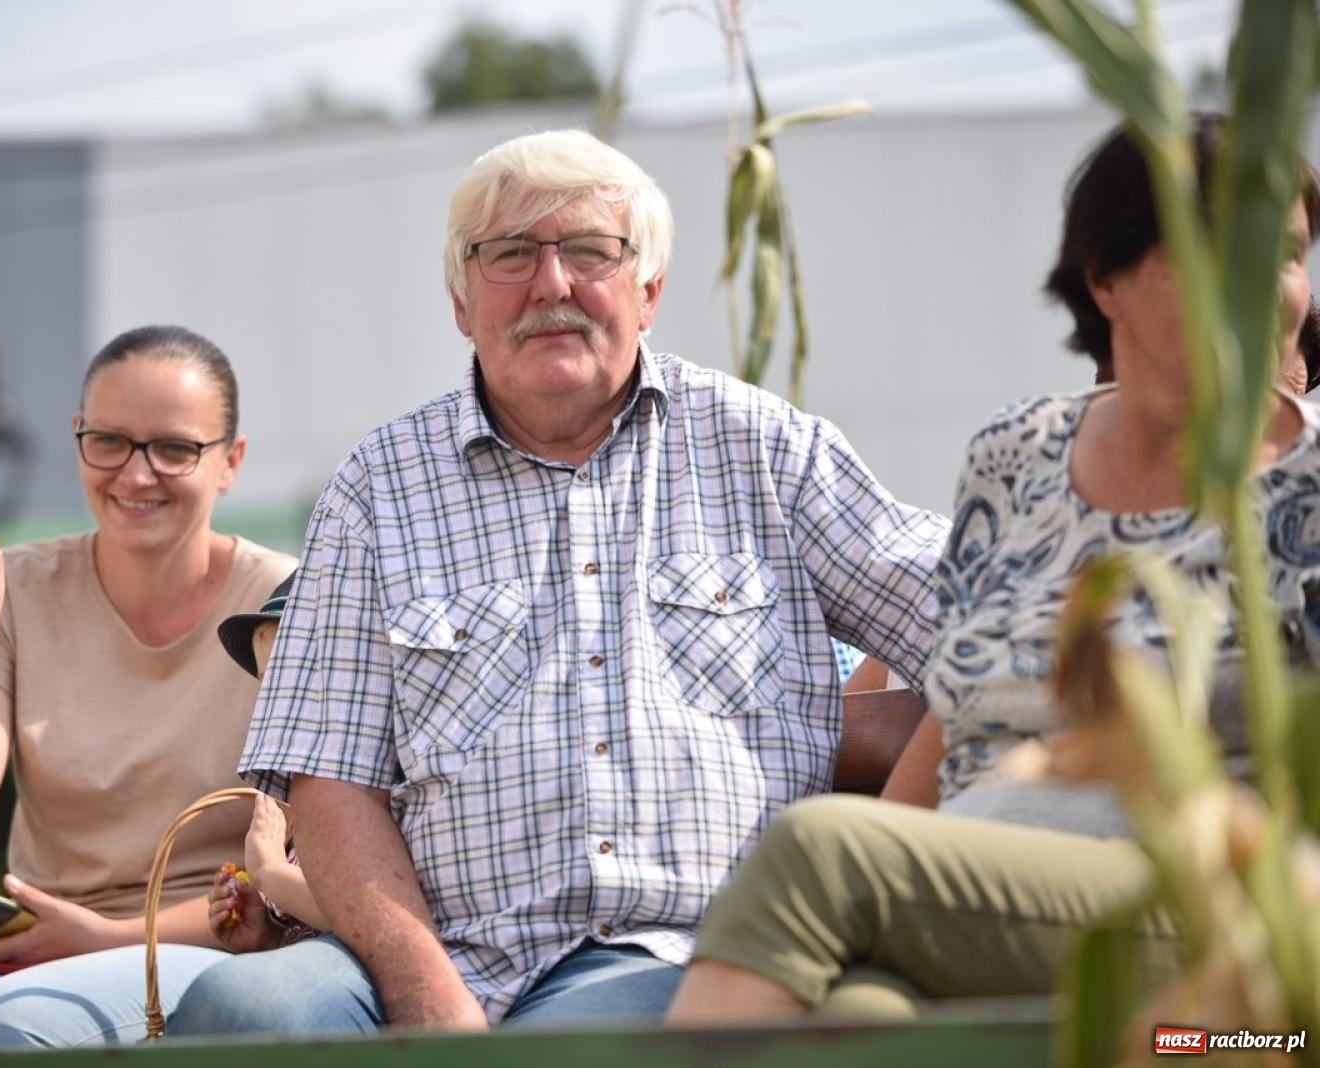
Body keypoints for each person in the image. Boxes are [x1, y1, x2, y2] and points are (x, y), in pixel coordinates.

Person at [168, 128, 947, 1037]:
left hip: (696, 955)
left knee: (599, 1032)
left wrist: (864, 885)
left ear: (648, 290)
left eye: (590, 251)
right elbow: (331, 784)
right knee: (239, 1012)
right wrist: (429, 995)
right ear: (461, 301)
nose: (552, 285)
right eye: (509, 255)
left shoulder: (766, 450)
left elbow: (994, 634)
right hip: (438, 953)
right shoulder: (378, 487)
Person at [664, 113, 1320, 1025]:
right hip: (971, 903)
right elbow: (952, 715)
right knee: (859, 1018)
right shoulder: (1016, 456)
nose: (1262, 283)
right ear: (1107, 278)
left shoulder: (1309, 488)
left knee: (817, 853)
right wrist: (883, 853)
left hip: (1203, 922)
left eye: (1286, 252)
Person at [0, 326, 296, 1056]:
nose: (136, 476)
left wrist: (106, 939)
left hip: (217, 946)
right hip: (36, 948)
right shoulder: (11, 593)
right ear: (77, 436)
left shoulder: (284, 604)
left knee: (10, 1028)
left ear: (230, 461)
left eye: (174, 449)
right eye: (109, 441)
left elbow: (298, 876)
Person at [209, 572, 331, 945]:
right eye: (268, 686)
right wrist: (266, 934)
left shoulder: (380, 797)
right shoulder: (298, 794)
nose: (281, 705)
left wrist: (270, 872)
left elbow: (363, 916)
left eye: (299, 682)